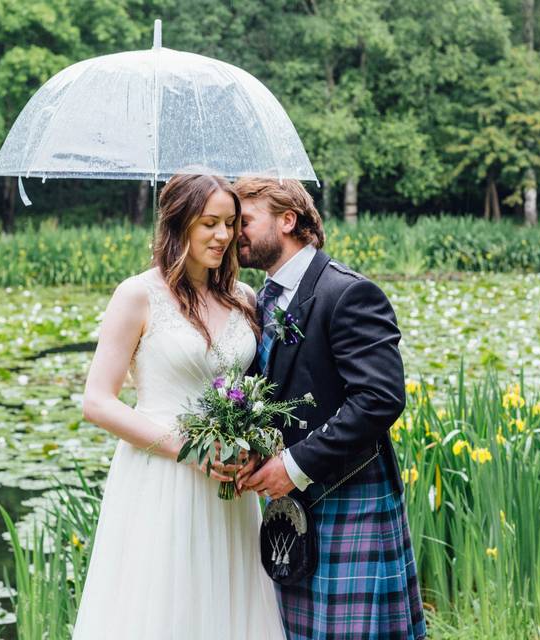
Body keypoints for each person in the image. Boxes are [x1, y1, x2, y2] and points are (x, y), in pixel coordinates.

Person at [73, 174, 284, 639]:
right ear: (178, 224)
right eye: (209, 223)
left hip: (228, 483)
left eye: (230, 223)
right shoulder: (137, 295)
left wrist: (251, 442)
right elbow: (97, 401)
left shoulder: (244, 297)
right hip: (162, 476)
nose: (224, 236)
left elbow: (252, 388)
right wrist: (188, 449)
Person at [234, 178, 426, 640]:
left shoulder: (347, 292)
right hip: (294, 501)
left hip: (347, 490)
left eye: (244, 221)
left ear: (287, 220)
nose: (232, 233)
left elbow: (379, 399)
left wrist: (295, 466)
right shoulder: (263, 298)